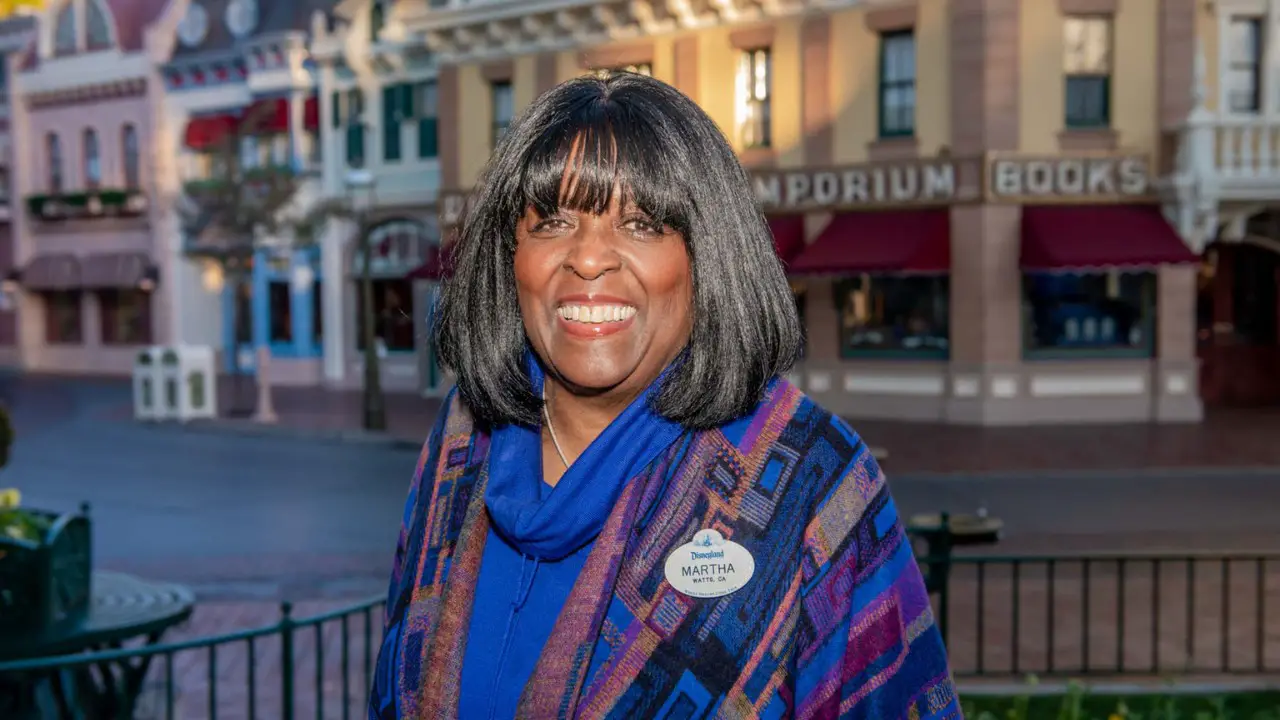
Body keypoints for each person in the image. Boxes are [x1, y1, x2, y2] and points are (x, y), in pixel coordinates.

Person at [370, 72, 959, 720]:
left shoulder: (808, 482)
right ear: (511, 255)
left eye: (642, 223)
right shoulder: (460, 444)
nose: (589, 260)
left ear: (706, 256)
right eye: (554, 221)